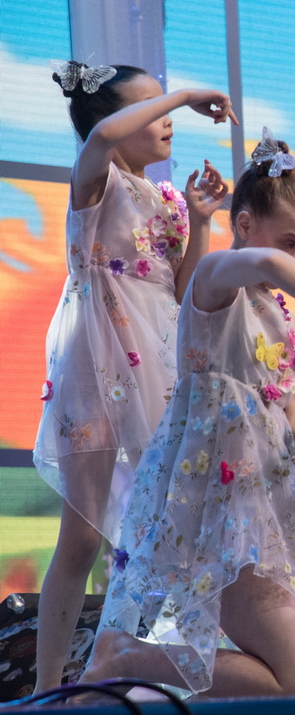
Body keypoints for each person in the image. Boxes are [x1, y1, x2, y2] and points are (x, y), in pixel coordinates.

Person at [81, 132, 295, 696]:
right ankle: (127, 657)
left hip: (264, 516)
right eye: (290, 242)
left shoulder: (276, 315)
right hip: (218, 515)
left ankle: (130, 657)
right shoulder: (216, 279)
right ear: (243, 224)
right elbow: (263, 261)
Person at [33, 59, 234, 692]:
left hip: (160, 359)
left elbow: (183, 290)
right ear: (117, 121)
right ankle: (46, 687)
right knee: (82, 533)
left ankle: (162, 669)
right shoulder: (96, 178)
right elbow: (99, 138)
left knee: (178, 520)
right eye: (153, 108)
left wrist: (201, 220)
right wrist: (184, 92)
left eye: (168, 106)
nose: (169, 119)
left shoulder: (166, 197)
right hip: (97, 362)